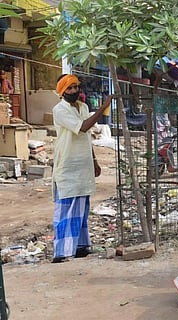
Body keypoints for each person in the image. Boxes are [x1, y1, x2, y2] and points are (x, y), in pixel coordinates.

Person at [51, 74, 115, 263]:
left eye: (75, 87)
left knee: (81, 207)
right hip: (68, 165)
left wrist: (94, 160)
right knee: (66, 209)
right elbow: (83, 128)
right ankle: (62, 251)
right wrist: (103, 108)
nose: (73, 91)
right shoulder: (59, 110)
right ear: (62, 91)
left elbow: (86, 139)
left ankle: (80, 246)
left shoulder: (83, 107)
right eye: (69, 89)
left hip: (83, 164)